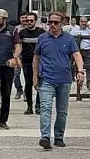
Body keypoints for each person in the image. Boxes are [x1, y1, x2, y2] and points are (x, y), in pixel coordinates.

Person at [33, 12, 84, 149]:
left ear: (62, 24)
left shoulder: (69, 38)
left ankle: (59, 137)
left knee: (62, 111)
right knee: (45, 108)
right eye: (50, 22)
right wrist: (35, 76)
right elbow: (36, 58)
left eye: (56, 22)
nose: (52, 25)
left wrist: (80, 71)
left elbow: (77, 55)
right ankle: (45, 136)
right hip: (46, 79)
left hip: (64, 80)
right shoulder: (42, 38)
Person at [15, 12, 45, 115]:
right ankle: (29, 106)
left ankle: (38, 106)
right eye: (27, 20)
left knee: (39, 83)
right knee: (28, 84)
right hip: (27, 61)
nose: (29, 22)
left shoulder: (41, 33)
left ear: (35, 21)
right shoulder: (22, 33)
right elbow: (18, 46)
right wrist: (17, 58)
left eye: (31, 20)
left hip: (40, 62)